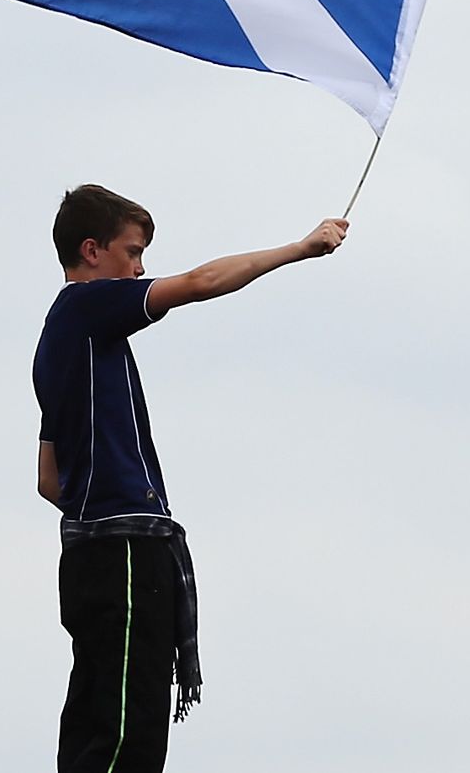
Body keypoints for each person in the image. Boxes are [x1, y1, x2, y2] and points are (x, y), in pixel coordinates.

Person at [35, 184, 347, 773]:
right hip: (125, 553)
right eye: (132, 252)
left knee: (95, 724)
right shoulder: (85, 307)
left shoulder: (59, 341)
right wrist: (300, 248)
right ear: (92, 250)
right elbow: (201, 283)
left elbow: (50, 480)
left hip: (87, 557)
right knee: (129, 735)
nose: (141, 267)